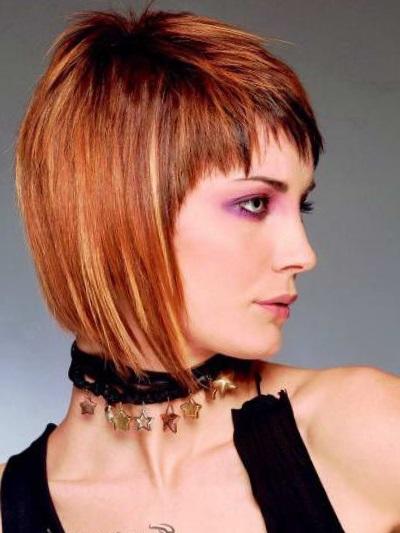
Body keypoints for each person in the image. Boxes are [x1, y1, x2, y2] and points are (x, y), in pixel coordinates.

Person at [1, 5, 399, 533]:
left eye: (300, 205)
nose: (303, 254)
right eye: (254, 203)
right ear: (118, 212)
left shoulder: (369, 429)